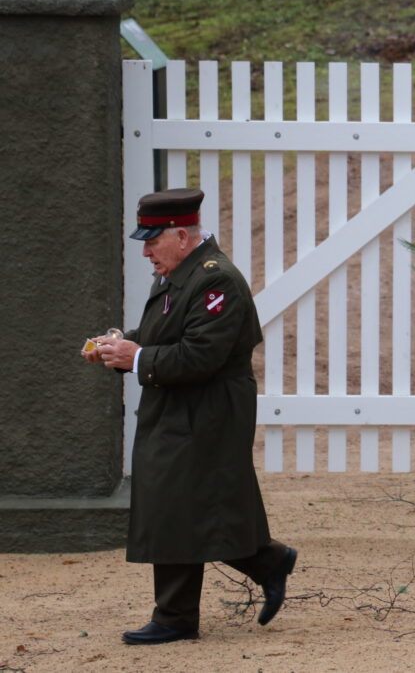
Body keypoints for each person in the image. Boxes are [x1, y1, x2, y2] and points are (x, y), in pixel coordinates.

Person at [82, 188, 297, 645]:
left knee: (179, 500)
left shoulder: (217, 281)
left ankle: (177, 616)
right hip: (180, 404)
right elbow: (163, 333)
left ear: (181, 236)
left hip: (209, 409)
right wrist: (119, 345)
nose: (146, 252)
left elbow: (201, 355)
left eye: (152, 241)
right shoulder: (179, 272)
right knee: (181, 502)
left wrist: (137, 358)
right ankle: (263, 564)